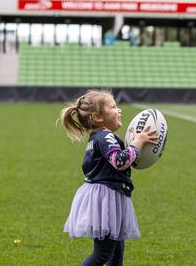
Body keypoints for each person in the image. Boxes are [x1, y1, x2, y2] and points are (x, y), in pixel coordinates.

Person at [59, 90, 157, 266]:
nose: (119, 110)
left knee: (116, 252)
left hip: (108, 196)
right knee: (103, 253)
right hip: (105, 198)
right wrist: (138, 142)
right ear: (97, 117)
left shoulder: (100, 137)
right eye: (113, 107)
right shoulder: (105, 136)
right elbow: (120, 161)